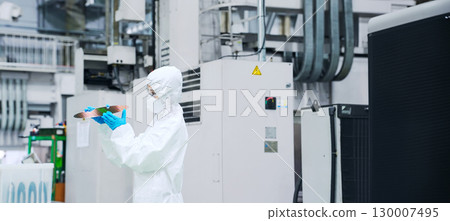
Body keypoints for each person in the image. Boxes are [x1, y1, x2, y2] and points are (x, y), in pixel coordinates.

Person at [85, 66, 188, 203]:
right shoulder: (161, 120)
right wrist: (109, 128)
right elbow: (124, 156)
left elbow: (141, 156)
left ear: (168, 93)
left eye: (154, 93)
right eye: (149, 92)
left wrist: (120, 130)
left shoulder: (172, 122)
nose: (150, 97)